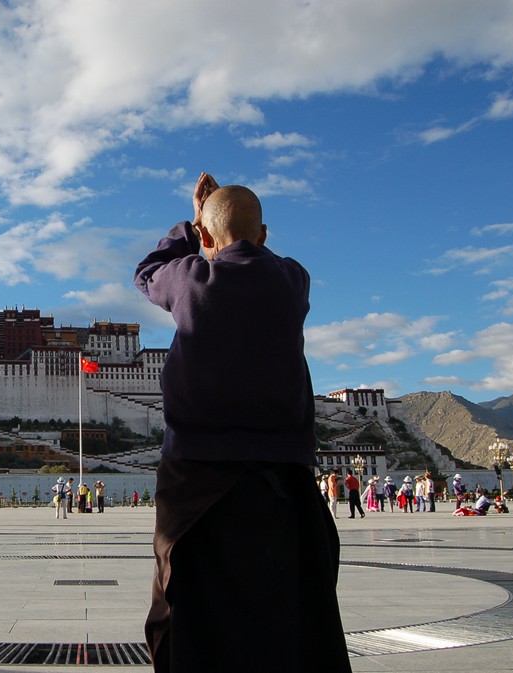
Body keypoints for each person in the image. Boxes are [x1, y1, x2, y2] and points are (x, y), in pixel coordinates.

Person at [134, 172, 350, 671]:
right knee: (290, 604)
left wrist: (193, 225)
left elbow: (148, 272)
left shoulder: (190, 278)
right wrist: (223, 229)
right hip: (284, 473)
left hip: (196, 474)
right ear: (266, 236)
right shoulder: (293, 279)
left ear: (206, 239)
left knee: (184, 602)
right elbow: (252, 251)